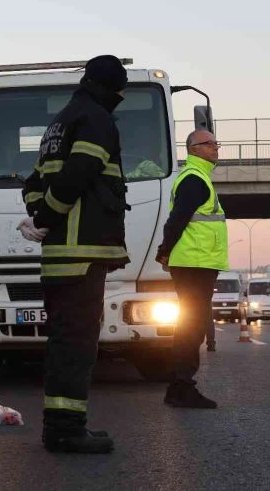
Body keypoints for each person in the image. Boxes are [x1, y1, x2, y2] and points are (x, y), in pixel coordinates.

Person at [18, 55, 131, 454]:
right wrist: (47, 214)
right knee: (77, 344)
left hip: (59, 255)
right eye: (120, 90)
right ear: (109, 87)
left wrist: (39, 216)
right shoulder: (96, 119)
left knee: (65, 341)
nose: (120, 98)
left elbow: (34, 181)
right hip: (81, 253)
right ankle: (65, 430)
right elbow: (79, 173)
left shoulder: (59, 123)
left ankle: (62, 425)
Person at [155, 129, 228, 408]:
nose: (215, 148)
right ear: (193, 149)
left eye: (215, 143)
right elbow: (178, 218)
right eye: (209, 144)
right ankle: (183, 387)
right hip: (193, 263)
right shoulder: (194, 179)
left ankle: (178, 387)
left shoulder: (199, 178)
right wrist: (165, 251)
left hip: (198, 262)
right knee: (192, 325)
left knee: (192, 324)